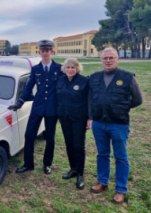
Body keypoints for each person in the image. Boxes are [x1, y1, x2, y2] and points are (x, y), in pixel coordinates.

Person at [88, 48, 142, 203]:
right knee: (102, 154)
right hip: (99, 123)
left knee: (120, 157)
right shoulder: (95, 77)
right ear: (101, 60)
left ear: (118, 59)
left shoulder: (127, 77)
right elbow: (90, 98)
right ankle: (102, 182)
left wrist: (120, 108)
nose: (108, 60)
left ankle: (120, 189)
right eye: (105, 58)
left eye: (111, 57)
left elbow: (138, 100)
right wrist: (91, 117)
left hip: (118, 124)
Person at [8, 39, 63, 175]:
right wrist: (20, 102)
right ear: (39, 52)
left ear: (52, 51)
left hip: (52, 108)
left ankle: (47, 164)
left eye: (47, 51)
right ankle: (28, 164)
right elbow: (28, 88)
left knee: (50, 137)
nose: (45, 53)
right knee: (29, 135)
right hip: (37, 106)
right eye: (42, 51)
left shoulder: (59, 68)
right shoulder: (35, 69)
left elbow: (63, 87)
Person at [56, 58, 88, 189]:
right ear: (64, 69)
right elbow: (57, 98)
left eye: (73, 67)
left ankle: (80, 174)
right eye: (68, 67)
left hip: (79, 118)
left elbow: (89, 101)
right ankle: (73, 169)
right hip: (64, 117)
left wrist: (89, 118)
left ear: (77, 68)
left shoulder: (84, 81)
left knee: (78, 145)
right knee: (69, 144)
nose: (70, 69)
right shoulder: (60, 80)